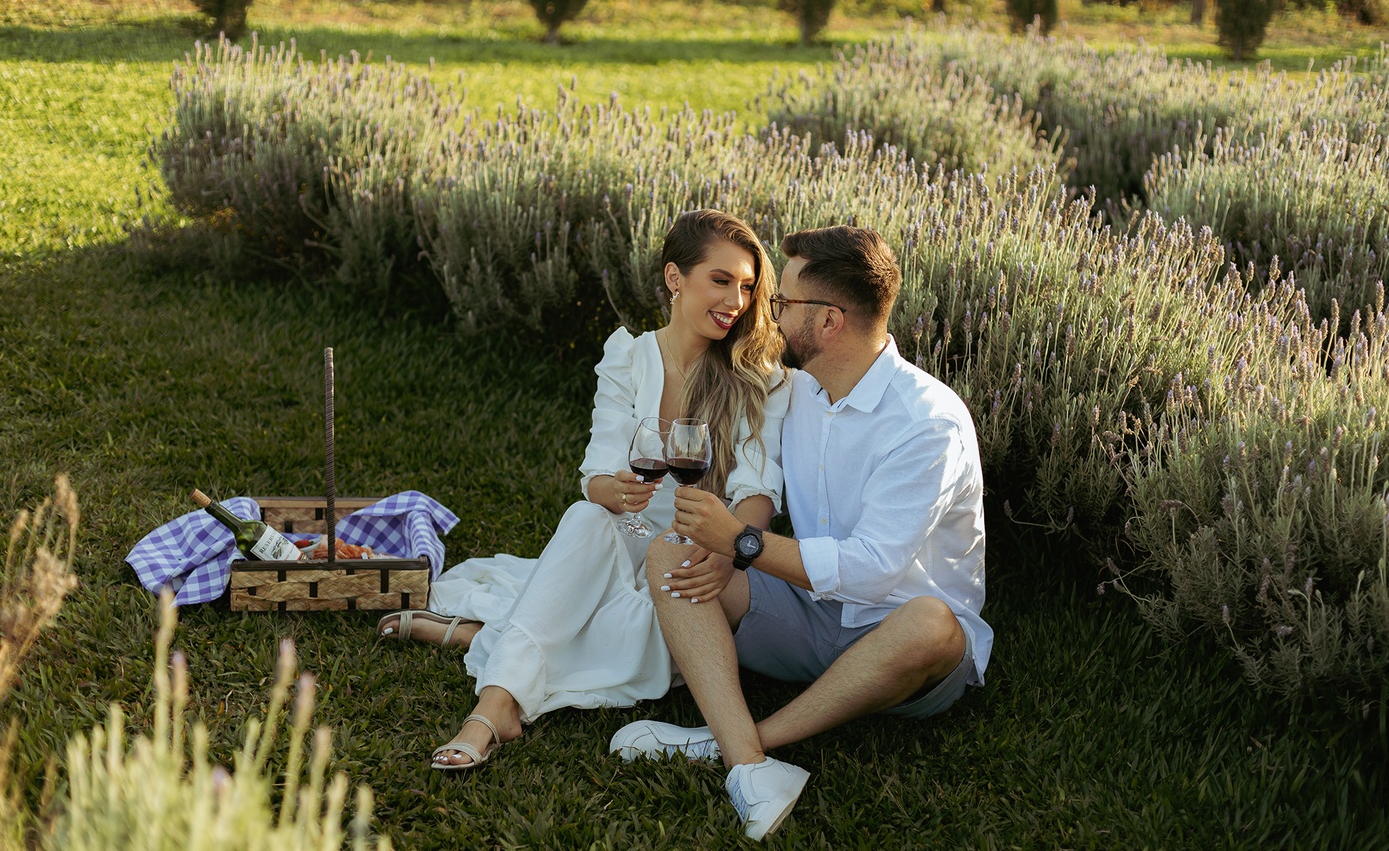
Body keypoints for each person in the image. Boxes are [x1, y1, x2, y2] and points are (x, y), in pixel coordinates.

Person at [610, 224, 992, 841]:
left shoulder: (927, 424)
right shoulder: (799, 390)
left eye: (783, 303)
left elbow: (873, 571)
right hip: (810, 613)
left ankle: (730, 741)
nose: (769, 315)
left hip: (898, 647)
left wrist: (742, 543)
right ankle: (749, 763)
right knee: (668, 555)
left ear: (830, 321)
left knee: (932, 623)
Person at [376, 209, 790, 771]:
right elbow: (595, 478)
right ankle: (495, 707)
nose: (736, 301)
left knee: (600, 611)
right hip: (625, 532)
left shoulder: (758, 376)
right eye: (721, 280)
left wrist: (730, 551)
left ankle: (483, 637)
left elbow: (757, 490)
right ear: (675, 277)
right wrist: (616, 492)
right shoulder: (628, 357)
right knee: (586, 518)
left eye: (746, 286)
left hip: (692, 554)